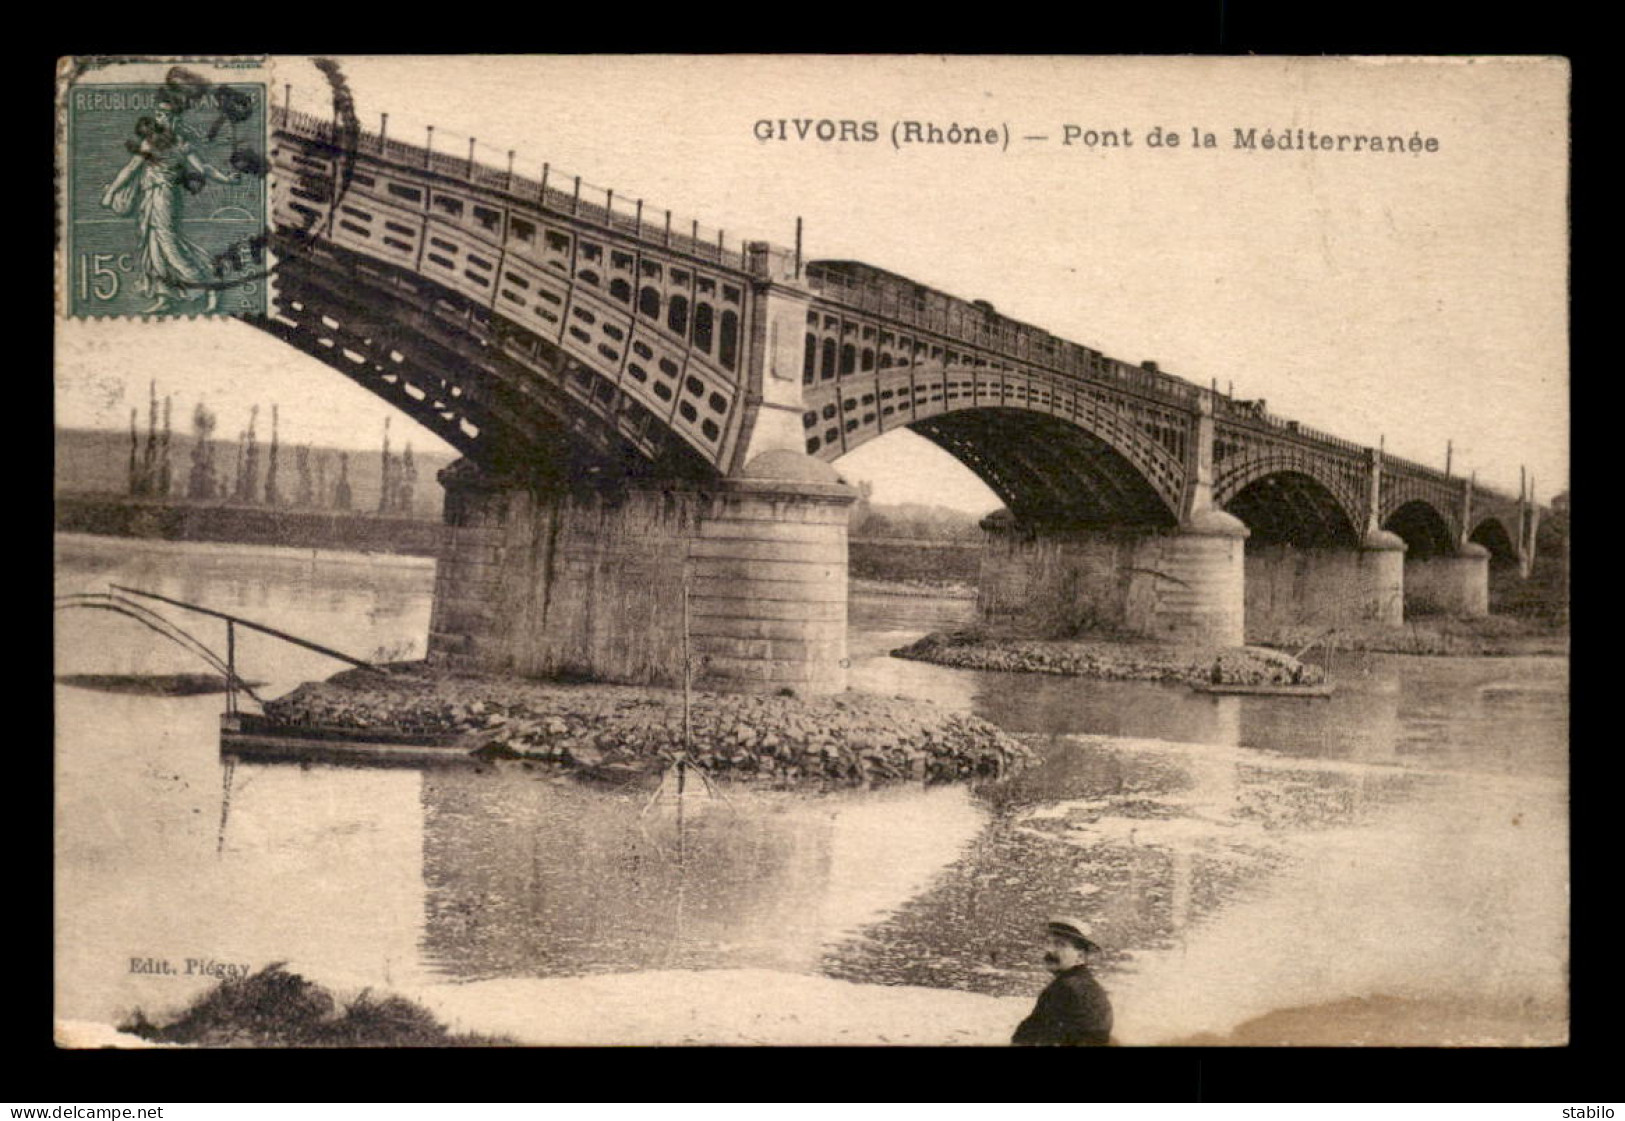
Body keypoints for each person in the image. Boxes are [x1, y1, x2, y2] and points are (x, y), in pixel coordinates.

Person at [101, 93, 240, 314]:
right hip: (150, 197)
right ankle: (165, 296)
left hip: (165, 196)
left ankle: (209, 286)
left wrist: (226, 179)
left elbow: (202, 168)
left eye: (164, 114)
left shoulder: (180, 144)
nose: (160, 118)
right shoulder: (150, 142)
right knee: (153, 245)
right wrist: (112, 192)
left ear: (175, 119)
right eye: (158, 114)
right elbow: (131, 168)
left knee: (168, 245)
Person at [1011, 915, 1114, 1046]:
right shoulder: (1084, 984)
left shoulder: (1066, 989)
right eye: (1049, 942)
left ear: (1080, 957)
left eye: (1060, 944)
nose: (1050, 949)